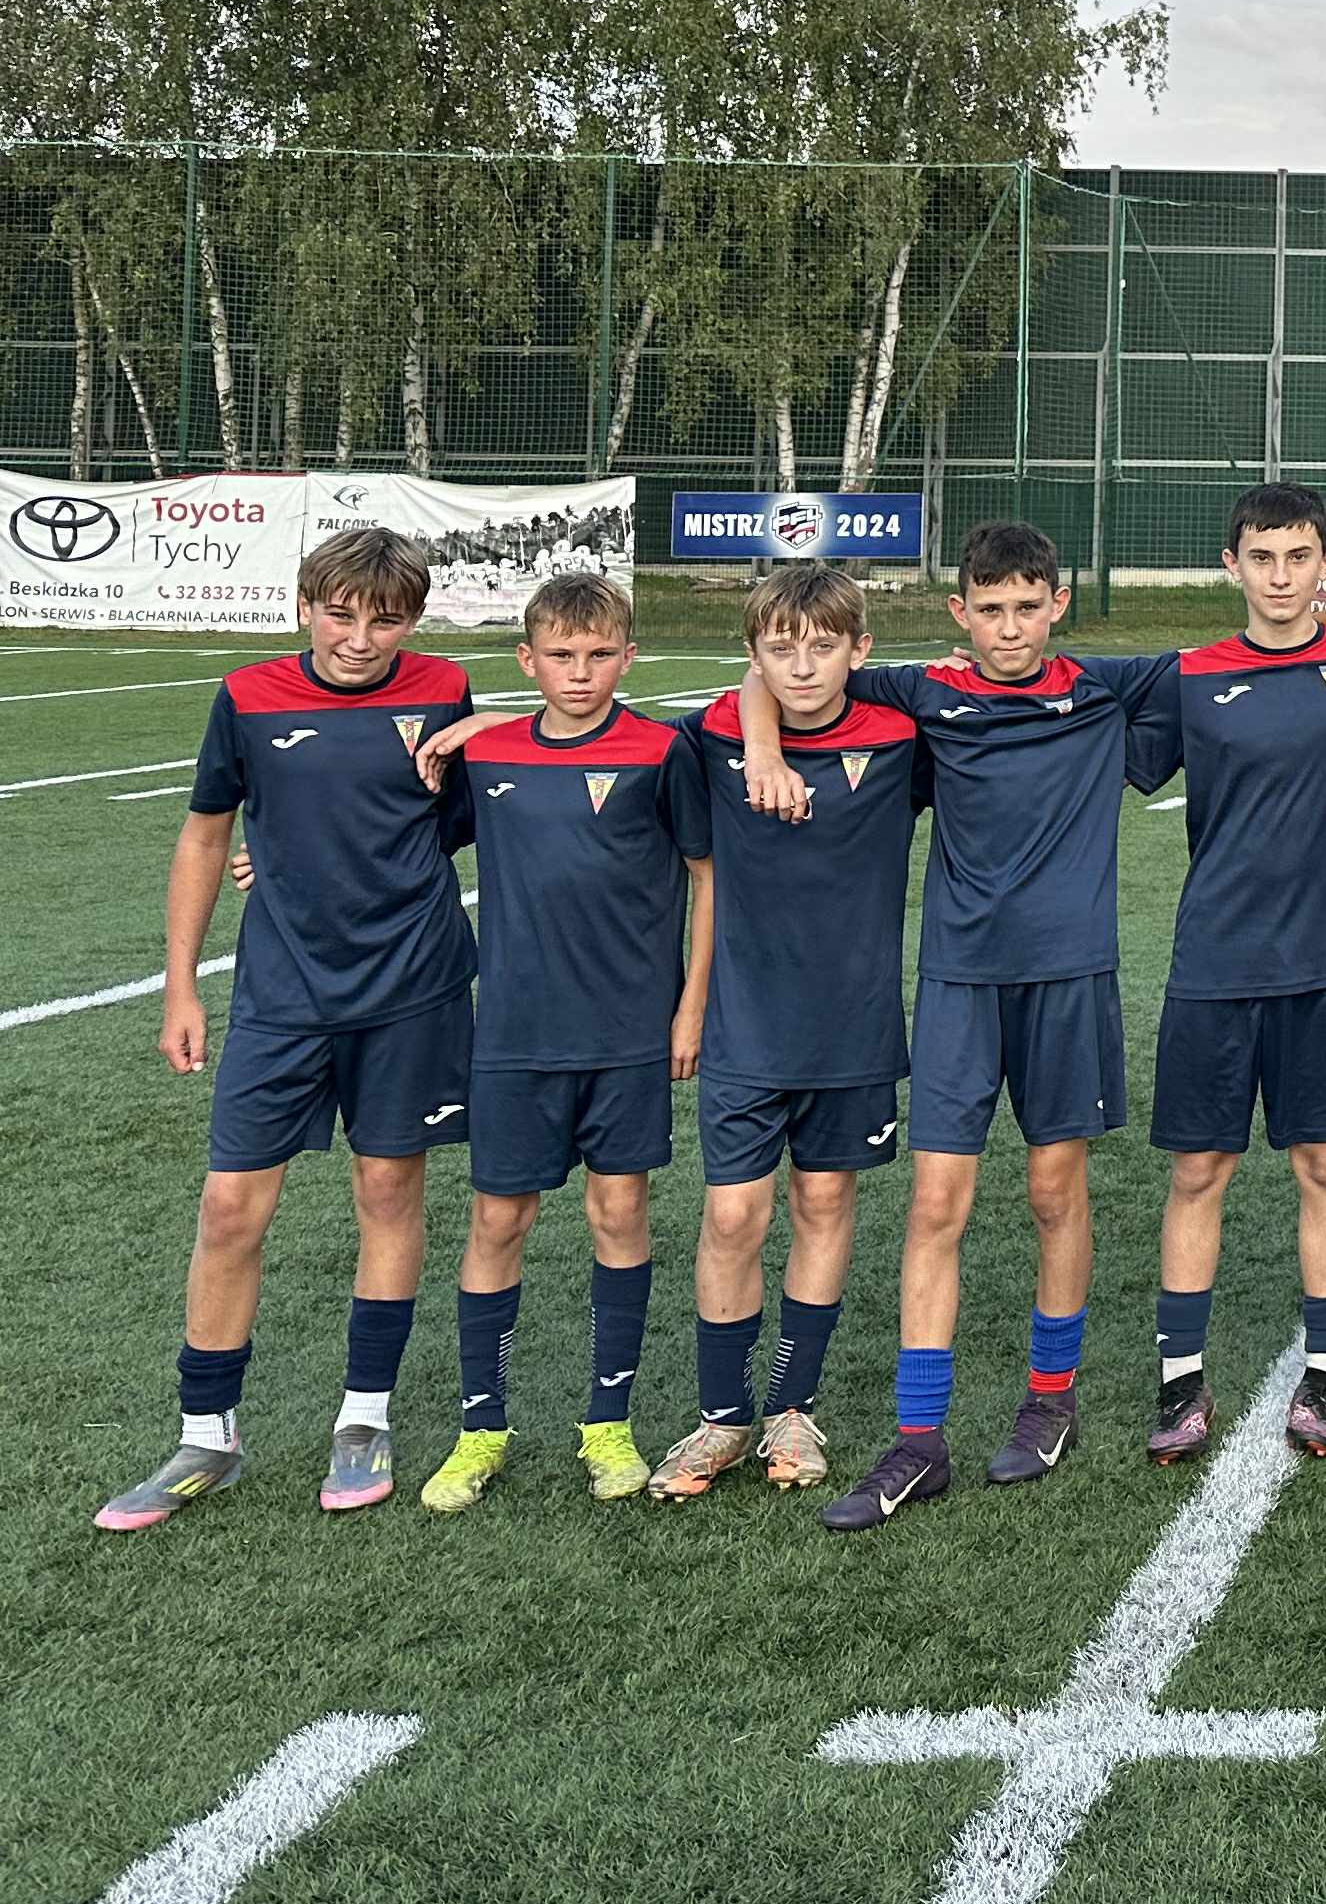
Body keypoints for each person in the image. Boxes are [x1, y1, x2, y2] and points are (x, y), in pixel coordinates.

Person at [744, 521, 1191, 1528]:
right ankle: (918, 1439)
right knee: (935, 1204)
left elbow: (1257, 649)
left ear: (1058, 604)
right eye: (990, 610)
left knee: (1053, 1191)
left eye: (1028, 607)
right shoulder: (926, 691)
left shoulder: (1108, 687)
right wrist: (764, 748)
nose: (1010, 628)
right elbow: (772, 674)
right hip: (957, 980)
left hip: (1069, 977)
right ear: (960, 612)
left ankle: (1050, 1399)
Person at [100, 527, 480, 1531]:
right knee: (229, 1206)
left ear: (413, 620)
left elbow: (472, 810)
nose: (358, 637)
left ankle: (364, 1419)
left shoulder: (446, 689)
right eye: (339, 613)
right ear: (305, 605)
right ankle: (206, 1435)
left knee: (388, 1190)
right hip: (281, 994)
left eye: (384, 620)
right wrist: (180, 988)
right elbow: (205, 836)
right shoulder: (247, 696)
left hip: (412, 988)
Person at [406, 574, 709, 1509]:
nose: (581, 673)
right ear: (527, 660)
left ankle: (608, 1425)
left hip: (627, 1034)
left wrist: (691, 1007)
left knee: (618, 1216)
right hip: (514, 1035)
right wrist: (281, 855)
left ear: (629, 657)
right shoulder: (487, 754)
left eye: (600, 654)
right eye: (561, 656)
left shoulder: (664, 750)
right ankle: (480, 1429)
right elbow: (402, 837)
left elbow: (707, 876)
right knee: (498, 1221)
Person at [1128, 484, 1326, 1464]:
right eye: (1263, 557)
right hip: (1216, 958)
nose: (1281, 576)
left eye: (1299, 558)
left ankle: (1324, 1375)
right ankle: (1180, 1383)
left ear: (1324, 562)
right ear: (1232, 564)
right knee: (1198, 1169)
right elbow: (1079, 721)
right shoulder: (1190, 674)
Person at [648, 563, 924, 1503]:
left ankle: (791, 1407)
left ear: (860, 649)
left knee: (824, 1202)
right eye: (781, 649)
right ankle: (722, 1416)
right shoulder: (710, 738)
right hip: (746, 1021)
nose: (803, 667)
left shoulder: (899, 734)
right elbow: (693, 865)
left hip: (853, 1024)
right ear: (754, 654)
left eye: (823, 647)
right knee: (733, 1215)